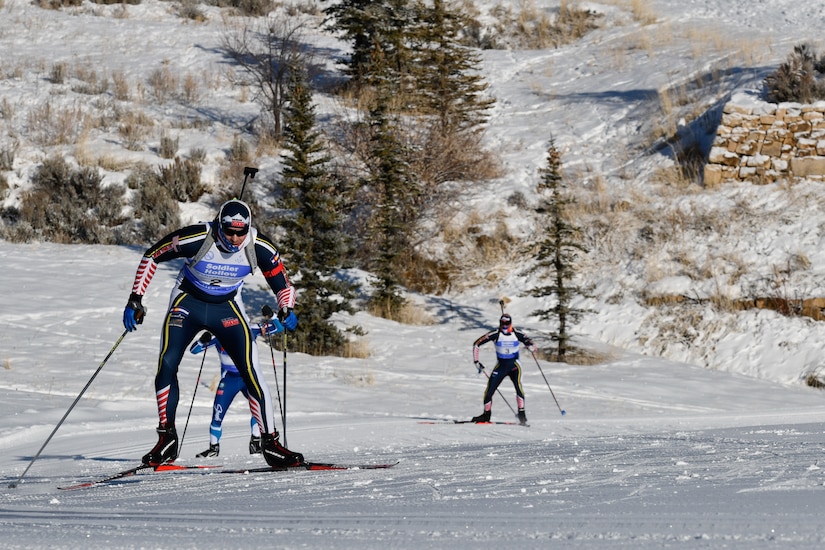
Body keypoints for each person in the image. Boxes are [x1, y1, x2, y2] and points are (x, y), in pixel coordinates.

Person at [122, 198, 303, 468]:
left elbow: (283, 284)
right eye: (228, 231)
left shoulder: (259, 247)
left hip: (227, 307)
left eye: (240, 232)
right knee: (167, 363)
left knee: (251, 371)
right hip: (187, 302)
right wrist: (135, 299)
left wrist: (286, 308)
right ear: (219, 225)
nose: (234, 238)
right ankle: (167, 439)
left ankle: (271, 443)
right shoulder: (197, 237)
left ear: (248, 228)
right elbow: (152, 255)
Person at [189, 318, 283, 458]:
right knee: (217, 414)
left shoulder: (252, 329)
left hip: (248, 376)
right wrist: (203, 340)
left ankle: (255, 443)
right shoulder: (217, 334)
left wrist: (272, 315)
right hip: (229, 380)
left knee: (259, 408)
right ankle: (213, 448)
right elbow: (194, 350)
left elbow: (278, 327)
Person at [471, 313, 536, 425]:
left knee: (519, 388)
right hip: (501, 365)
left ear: (510, 323)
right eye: (502, 323)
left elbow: (531, 343)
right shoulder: (495, 334)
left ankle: (522, 415)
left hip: (515, 365)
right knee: (489, 391)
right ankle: (486, 415)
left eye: (507, 323)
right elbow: (476, 344)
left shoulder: (517, 333)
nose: (504, 326)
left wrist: (531, 347)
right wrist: (476, 361)